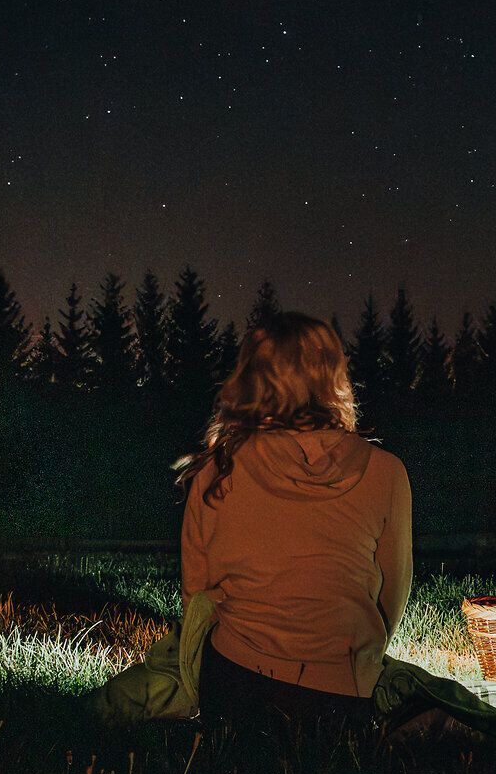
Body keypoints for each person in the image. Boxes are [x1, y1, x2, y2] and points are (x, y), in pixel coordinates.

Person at [175, 312, 412, 728]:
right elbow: (392, 597)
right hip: (341, 695)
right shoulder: (386, 472)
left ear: (250, 378)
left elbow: (197, 595)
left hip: (234, 687)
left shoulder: (218, 469)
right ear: (333, 376)